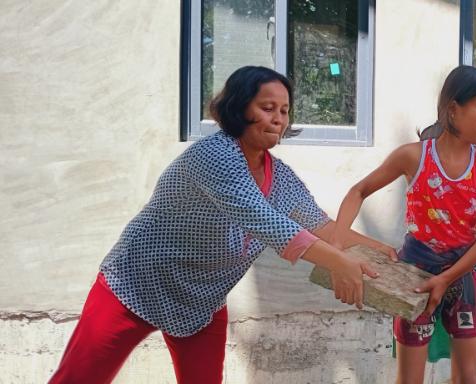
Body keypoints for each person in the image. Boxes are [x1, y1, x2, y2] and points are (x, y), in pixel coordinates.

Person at [49, 65, 394, 384]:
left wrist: (383, 252)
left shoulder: (281, 179)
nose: (278, 119)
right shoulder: (215, 155)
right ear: (240, 108)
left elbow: (323, 228)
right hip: (136, 282)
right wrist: (339, 263)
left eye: (284, 111)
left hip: (202, 300)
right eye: (267, 108)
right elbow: (268, 224)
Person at [331, 65, 476, 384]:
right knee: (410, 379)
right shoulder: (413, 157)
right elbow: (358, 191)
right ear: (453, 109)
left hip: (464, 272)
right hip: (415, 272)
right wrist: (338, 242)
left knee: (468, 377)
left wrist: (448, 277)